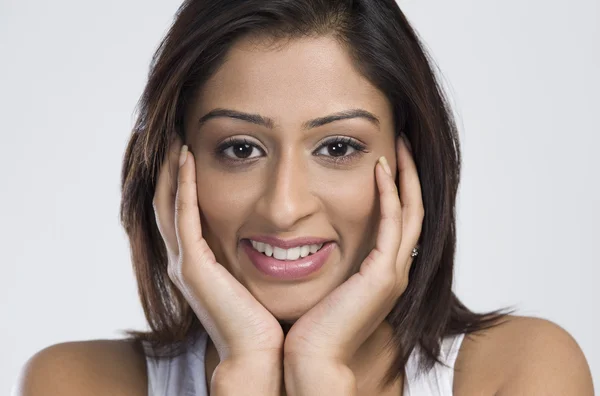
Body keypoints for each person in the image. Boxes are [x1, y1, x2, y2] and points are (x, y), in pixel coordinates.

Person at [15, 0, 594, 395]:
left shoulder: (517, 372)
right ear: (171, 169)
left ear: (409, 166)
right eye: (241, 149)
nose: (284, 206)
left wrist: (321, 374)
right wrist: (244, 374)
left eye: (337, 146)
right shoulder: (76, 382)